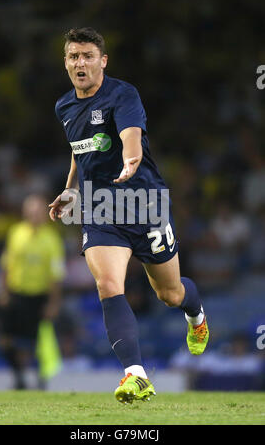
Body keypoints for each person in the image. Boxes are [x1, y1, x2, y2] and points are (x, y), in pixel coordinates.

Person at [49, 27, 209, 404]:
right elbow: (79, 147)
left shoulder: (123, 94)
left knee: (169, 294)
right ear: (66, 63)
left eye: (88, 55)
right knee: (108, 283)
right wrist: (71, 189)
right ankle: (136, 375)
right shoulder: (64, 107)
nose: (80, 62)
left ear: (102, 61)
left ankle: (197, 315)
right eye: (73, 56)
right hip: (101, 208)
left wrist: (131, 157)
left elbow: (130, 134)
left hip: (145, 202)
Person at [0, 193, 65, 389]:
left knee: (40, 342)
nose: (34, 214)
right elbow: (6, 264)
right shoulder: (15, 233)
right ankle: (18, 376)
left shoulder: (52, 239)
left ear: (44, 213)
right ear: (24, 212)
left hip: (39, 297)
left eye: (37, 211)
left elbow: (56, 274)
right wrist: (4, 291)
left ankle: (41, 380)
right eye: (30, 210)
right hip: (16, 294)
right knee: (5, 337)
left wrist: (53, 303)